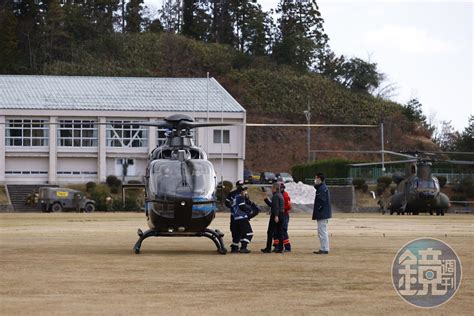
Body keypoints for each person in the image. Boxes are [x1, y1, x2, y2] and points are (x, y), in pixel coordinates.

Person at [261, 182, 285, 253]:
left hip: (276, 215)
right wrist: (266, 199)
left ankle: (268, 248)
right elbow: (273, 205)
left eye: (272, 188)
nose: (271, 189)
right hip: (281, 214)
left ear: (275, 188)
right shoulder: (280, 195)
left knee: (270, 232)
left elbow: (275, 207)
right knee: (279, 232)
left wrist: (276, 216)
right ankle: (281, 248)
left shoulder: (275, 196)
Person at [230, 186, 254, 253]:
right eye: (245, 191)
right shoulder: (240, 197)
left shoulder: (235, 198)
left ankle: (234, 248)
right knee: (249, 233)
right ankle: (243, 247)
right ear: (241, 192)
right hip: (242, 218)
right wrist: (249, 209)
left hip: (236, 219)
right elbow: (242, 206)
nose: (246, 192)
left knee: (238, 234)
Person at [312, 172, 332, 254]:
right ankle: (323, 248)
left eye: (316, 178)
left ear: (319, 179)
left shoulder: (322, 189)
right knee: (321, 231)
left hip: (322, 214)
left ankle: (324, 248)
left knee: (322, 231)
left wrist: (319, 210)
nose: (315, 180)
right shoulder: (321, 188)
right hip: (323, 213)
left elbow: (322, 201)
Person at [272, 183, 292, 252]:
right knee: (276, 231)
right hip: (279, 214)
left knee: (283, 230)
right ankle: (277, 246)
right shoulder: (278, 195)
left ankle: (287, 247)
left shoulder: (285, 195)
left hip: (284, 215)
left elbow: (289, 206)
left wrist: (281, 209)